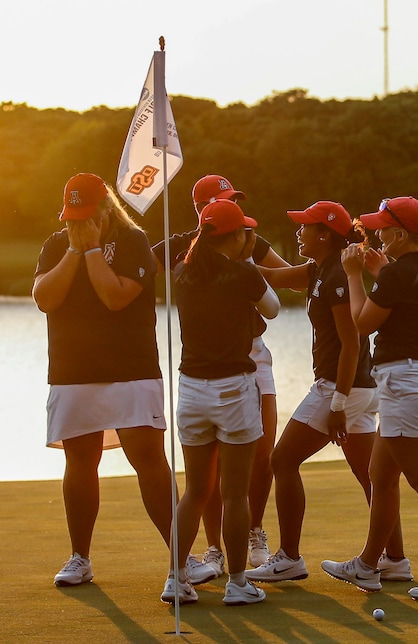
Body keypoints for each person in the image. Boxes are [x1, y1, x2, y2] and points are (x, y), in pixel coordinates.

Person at [320, 196, 418, 600]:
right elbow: (405, 292)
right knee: (382, 477)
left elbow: (362, 323)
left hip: (407, 386)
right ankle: (369, 565)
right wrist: (381, 271)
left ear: (401, 233)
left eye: (382, 228)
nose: (376, 233)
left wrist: (354, 274)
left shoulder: (398, 274)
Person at [246, 201, 409, 583]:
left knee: (282, 461)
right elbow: (278, 276)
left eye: (305, 228)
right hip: (357, 388)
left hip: (341, 387)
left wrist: (337, 403)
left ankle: (288, 558)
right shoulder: (321, 267)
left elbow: (352, 343)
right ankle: (396, 560)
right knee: (372, 477)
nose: (298, 232)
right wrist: (227, 262)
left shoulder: (336, 275)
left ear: (325, 235)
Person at [32, 173, 176, 587]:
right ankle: (80, 557)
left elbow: (115, 297)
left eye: (84, 214)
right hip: (72, 370)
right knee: (79, 461)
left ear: (105, 208)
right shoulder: (57, 245)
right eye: (70, 216)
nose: (75, 223)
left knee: (148, 460)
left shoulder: (134, 242)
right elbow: (45, 298)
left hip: (130, 370)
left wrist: (93, 248)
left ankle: (180, 557)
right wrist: (76, 251)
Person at [152, 174, 290, 582]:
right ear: (233, 236)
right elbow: (274, 308)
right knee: (232, 492)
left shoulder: (183, 272)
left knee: (194, 490)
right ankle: (237, 582)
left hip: (190, 388)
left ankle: (175, 578)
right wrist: (247, 262)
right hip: (233, 386)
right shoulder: (244, 272)